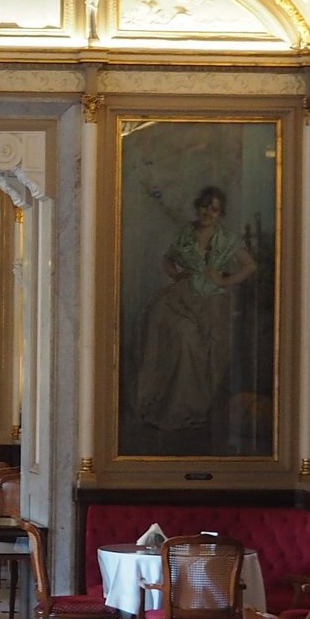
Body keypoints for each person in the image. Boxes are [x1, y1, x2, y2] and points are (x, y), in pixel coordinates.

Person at [130, 185, 257, 454]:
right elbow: (167, 260)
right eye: (204, 207)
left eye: (214, 209)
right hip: (182, 294)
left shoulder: (226, 239)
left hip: (212, 302)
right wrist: (177, 275)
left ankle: (189, 406)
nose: (207, 213)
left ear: (220, 214)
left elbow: (249, 265)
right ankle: (159, 399)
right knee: (158, 321)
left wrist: (224, 280)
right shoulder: (186, 234)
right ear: (197, 207)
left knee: (193, 342)